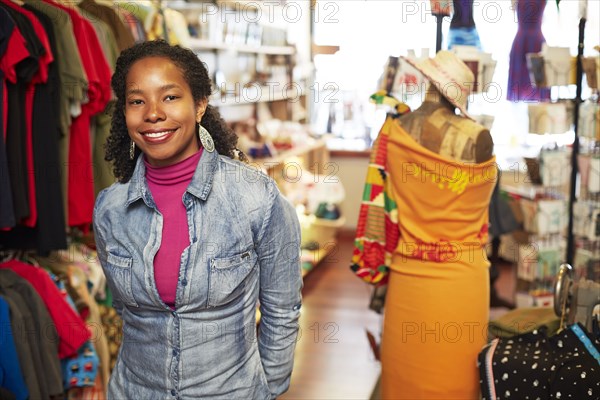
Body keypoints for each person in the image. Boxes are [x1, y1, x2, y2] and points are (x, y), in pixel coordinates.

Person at [93, 40, 302, 399]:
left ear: (200, 105)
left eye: (170, 97)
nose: (153, 113)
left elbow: (282, 311)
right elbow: (124, 311)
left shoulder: (255, 198)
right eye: (137, 101)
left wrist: (270, 388)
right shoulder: (110, 208)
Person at [352, 51, 497, 399]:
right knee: (456, 382)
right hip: (461, 281)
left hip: (408, 276)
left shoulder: (394, 130)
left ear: (428, 82)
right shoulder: (478, 138)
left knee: (404, 381)